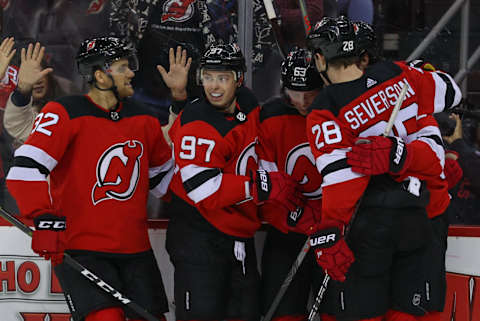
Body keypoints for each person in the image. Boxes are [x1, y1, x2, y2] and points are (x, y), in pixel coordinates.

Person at [6, 36, 174, 321]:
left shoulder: (144, 120)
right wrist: (44, 218)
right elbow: (25, 170)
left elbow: (166, 182)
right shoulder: (63, 112)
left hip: (137, 251)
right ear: (100, 75)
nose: (131, 72)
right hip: (84, 250)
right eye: (122, 67)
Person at [304, 16, 461, 321]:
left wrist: (331, 231)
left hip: (370, 226)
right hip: (416, 217)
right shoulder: (398, 74)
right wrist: (420, 73)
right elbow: (451, 92)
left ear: (321, 59)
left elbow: (341, 178)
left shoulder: (326, 107)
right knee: (408, 313)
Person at [165, 43, 305, 321]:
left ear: (238, 79)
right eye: (208, 77)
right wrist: (260, 186)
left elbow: (258, 148)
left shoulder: (248, 102)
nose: (214, 86)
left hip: (238, 236)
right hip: (198, 238)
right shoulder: (198, 122)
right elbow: (203, 189)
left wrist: (280, 192)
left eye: (222, 77)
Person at [350, 21, 464, 320]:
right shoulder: (349, 99)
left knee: (414, 309)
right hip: (377, 223)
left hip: (424, 220)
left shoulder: (404, 85)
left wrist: (396, 156)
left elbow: (434, 161)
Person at [256, 46, 324, 321]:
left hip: (335, 233)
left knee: (339, 311)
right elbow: (265, 182)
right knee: (282, 313)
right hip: (287, 232)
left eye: (311, 94)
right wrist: (288, 216)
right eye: (296, 94)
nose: (304, 102)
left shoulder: (341, 111)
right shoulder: (269, 117)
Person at [3, 41, 62, 147]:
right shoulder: (18, 120)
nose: (36, 80)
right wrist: (23, 90)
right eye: (26, 74)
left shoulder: (70, 96)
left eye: (39, 71)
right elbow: (18, 119)